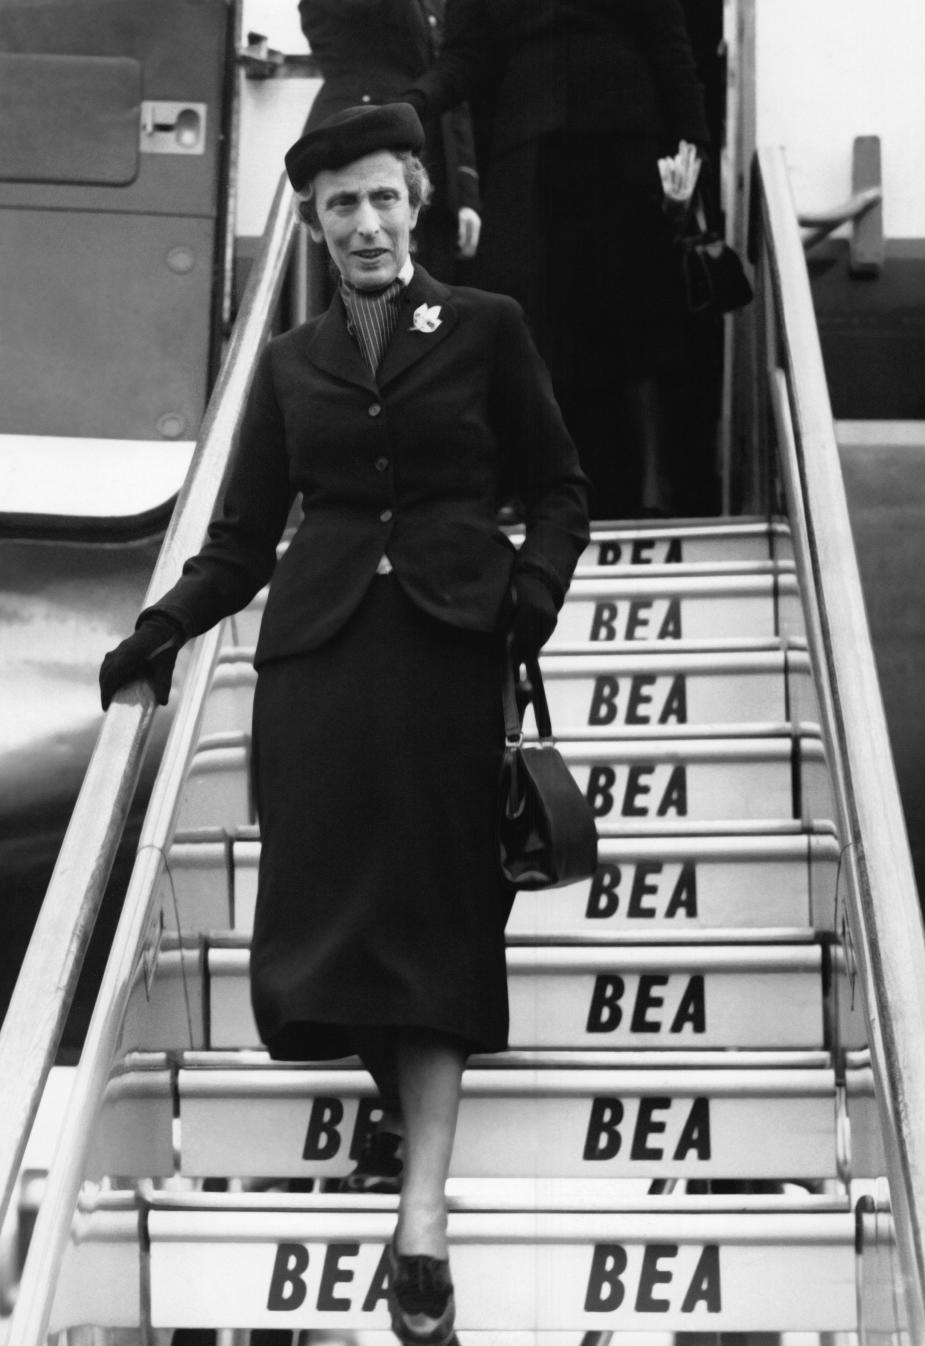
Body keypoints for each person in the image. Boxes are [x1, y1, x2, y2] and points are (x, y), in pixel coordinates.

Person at [99, 104, 589, 1346]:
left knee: (434, 924)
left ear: (417, 199)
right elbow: (242, 535)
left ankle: (421, 1222)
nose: (364, 225)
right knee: (329, 937)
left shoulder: (485, 328)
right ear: (313, 226)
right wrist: (159, 629)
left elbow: (560, 487)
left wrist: (522, 604)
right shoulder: (289, 363)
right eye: (339, 207)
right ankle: (409, 1165)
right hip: (319, 672)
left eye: (382, 198)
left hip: (442, 661)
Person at [404, 0, 712, 519]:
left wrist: (693, 154)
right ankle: (543, 494)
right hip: (528, 157)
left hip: (624, 154)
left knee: (625, 338)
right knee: (530, 336)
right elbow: (468, 54)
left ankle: (633, 500)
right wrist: (413, 102)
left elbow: (669, 45)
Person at [298, 0, 481, 283]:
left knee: (430, 299)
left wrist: (466, 192)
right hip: (361, 142)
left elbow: (452, 86)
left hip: (432, 159)